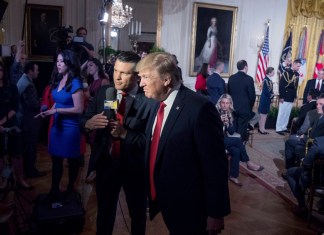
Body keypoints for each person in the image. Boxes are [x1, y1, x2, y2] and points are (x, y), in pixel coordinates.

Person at [137, 52, 230, 234]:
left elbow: (215, 165)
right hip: (166, 199)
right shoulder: (156, 102)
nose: (141, 83)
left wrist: (216, 213)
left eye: (146, 77)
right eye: (140, 77)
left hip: (190, 206)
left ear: (166, 80)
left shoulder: (200, 108)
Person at [81, 51, 153, 235]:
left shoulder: (150, 101)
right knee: (104, 213)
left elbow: (150, 142)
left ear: (137, 76)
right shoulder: (105, 92)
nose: (117, 77)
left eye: (124, 73)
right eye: (115, 70)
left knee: (137, 215)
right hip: (107, 164)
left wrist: (125, 134)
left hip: (135, 169)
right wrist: (88, 124)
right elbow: (84, 120)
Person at [37, 50, 84, 202]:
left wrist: (56, 110)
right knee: (56, 160)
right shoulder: (59, 79)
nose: (58, 64)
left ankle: (71, 188)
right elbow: (58, 100)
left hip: (70, 128)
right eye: (57, 61)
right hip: (57, 126)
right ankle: (54, 190)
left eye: (62, 61)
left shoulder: (75, 82)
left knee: (72, 161)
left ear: (69, 63)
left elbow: (79, 109)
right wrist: (49, 110)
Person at [216, 94, 264, 187]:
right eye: (223, 103)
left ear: (230, 104)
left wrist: (228, 123)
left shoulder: (229, 114)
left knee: (236, 151)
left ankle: (233, 176)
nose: (225, 105)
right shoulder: (214, 113)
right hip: (215, 140)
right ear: (220, 103)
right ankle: (248, 162)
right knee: (238, 141)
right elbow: (209, 130)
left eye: (227, 103)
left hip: (224, 139)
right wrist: (218, 121)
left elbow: (231, 131)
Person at [0, 61, 32, 190]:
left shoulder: (11, 87)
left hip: (11, 124)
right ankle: (4, 180)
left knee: (17, 154)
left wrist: (1, 123)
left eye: (0, 70)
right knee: (1, 155)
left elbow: (15, 107)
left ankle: (19, 179)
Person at [16, 62, 45, 179]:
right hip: (29, 120)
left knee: (26, 147)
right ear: (30, 71)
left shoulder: (23, 79)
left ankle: (25, 170)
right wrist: (42, 103)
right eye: (36, 70)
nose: (38, 72)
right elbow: (33, 104)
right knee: (31, 146)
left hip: (23, 119)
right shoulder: (29, 84)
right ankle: (30, 171)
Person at [286, 135, 324, 216]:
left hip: (317, 180)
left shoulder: (319, 142)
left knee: (290, 173)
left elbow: (306, 163)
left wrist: (305, 161)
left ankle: (302, 206)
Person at [228, 59, 256, 142]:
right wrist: (250, 106)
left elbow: (229, 93)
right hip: (244, 108)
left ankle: (233, 144)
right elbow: (252, 96)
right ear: (245, 67)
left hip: (233, 107)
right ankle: (240, 145)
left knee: (234, 126)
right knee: (242, 128)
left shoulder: (231, 78)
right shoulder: (249, 79)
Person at [276, 59, 301, 135]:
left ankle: (284, 127)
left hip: (291, 96)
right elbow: (281, 85)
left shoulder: (296, 74)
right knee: (282, 113)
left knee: (287, 113)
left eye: (299, 66)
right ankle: (279, 128)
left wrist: (294, 96)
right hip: (285, 95)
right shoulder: (286, 72)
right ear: (293, 64)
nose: (298, 68)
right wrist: (281, 96)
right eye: (298, 66)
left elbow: (295, 86)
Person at [257, 67, 275, 134]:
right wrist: (272, 96)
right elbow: (265, 91)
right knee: (262, 115)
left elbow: (271, 90)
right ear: (269, 73)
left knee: (265, 115)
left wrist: (272, 96)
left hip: (267, 99)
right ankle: (260, 128)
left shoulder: (269, 80)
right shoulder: (266, 80)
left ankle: (263, 128)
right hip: (264, 99)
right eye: (273, 72)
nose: (274, 73)